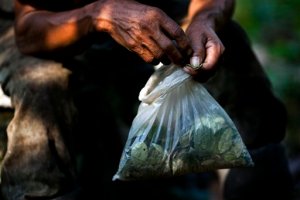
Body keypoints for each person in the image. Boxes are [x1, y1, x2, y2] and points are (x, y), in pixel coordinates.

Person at [0, 0, 294, 199]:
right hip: (53, 25)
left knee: (231, 47)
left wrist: (204, 19)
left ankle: (260, 185)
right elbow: (28, 30)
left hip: (160, 15)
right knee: (42, 87)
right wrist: (99, 15)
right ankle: (40, 191)